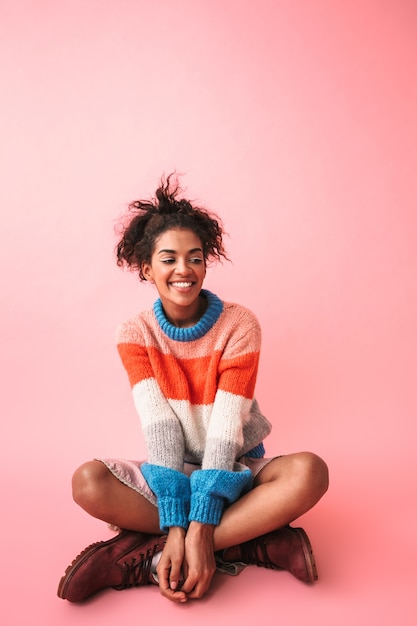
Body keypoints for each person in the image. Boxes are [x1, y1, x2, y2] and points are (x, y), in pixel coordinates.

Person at [57, 174, 329, 604]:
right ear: (146, 268)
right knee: (87, 482)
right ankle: (249, 542)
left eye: (195, 258)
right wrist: (180, 522)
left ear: (206, 262)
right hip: (173, 469)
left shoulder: (239, 324)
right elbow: (160, 427)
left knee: (309, 472)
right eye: (168, 259)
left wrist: (199, 528)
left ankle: (155, 554)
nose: (183, 270)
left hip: (235, 467)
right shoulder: (134, 333)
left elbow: (225, 426)